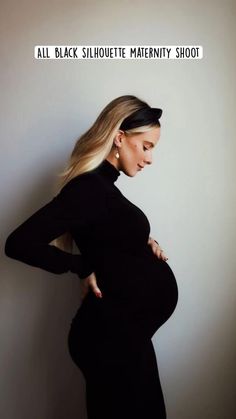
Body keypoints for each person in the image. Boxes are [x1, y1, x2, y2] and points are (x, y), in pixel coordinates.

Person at [4, 95, 178, 419]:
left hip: (127, 334)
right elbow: (19, 243)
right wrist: (79, 265)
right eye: (146, 146)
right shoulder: (88, 188)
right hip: (109, 339)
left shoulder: (103, 188)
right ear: (120, 137)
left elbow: (108, 238)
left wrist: (144, 243)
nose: (150, 158)